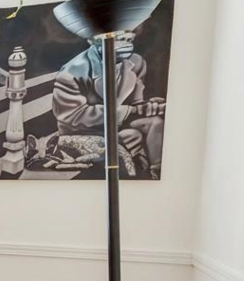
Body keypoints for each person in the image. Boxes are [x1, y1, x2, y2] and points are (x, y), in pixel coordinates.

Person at [51, 32, 166, 178]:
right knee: (133, 135)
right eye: (120, 39)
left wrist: (149, 106)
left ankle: (157, 175)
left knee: (156, 123)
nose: (127, 43)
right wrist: (133, 110)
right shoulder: (72, 71)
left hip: (116, 124)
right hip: (81, 131)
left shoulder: (136, 62)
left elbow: (136, 102)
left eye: (129, 39)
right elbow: (73, 115)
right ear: (95, 40)